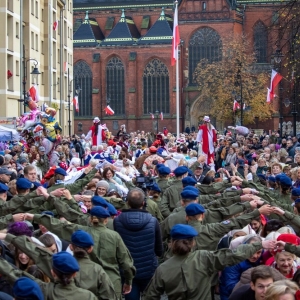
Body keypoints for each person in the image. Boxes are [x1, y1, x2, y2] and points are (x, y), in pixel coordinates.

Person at [24, 206, 136, 299]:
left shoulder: (80, 231)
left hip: (80, 283)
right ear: (106, 220)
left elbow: (59, 225)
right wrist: (128, 281)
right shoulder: (114, 236)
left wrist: (35, 217)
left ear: (91, 219)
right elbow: (126, 263)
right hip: (112, 283)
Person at [142, 224, 276, 300]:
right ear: (193, 242)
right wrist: (259, 245)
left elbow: (151, 296)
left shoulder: (163, 269)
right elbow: (233, 255)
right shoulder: (204, 257)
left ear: (171, 243)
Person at [113, 188, 163, 300]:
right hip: (148, 268)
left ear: (127, 203)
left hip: (127, 270)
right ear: (143, 203)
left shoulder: (118, 220)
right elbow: (159, 249)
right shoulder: (153, 220)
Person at [0, 251, 98, 299]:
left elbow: (15, 274)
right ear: (75, 274)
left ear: (52, 272)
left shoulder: (45, 290)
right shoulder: (89, 296)